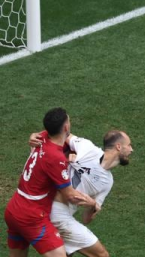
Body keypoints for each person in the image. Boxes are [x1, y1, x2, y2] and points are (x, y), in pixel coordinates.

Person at [5, 108, 97, 257]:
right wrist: (92, 204)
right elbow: (70, 196)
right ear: (66, 127)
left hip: (13, 209)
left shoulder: (40, 137)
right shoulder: (55, 157)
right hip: (31, 216)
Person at [44, 131, 133, 257]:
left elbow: (86, 219)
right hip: (55, 210)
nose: (131, 149)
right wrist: (35, 136)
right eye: (129, 145)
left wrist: (92, 205)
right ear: (118, 146)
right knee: (101, 255)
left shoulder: (107, 181)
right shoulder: (88, 148)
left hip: (62, 214)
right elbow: (59, 132)